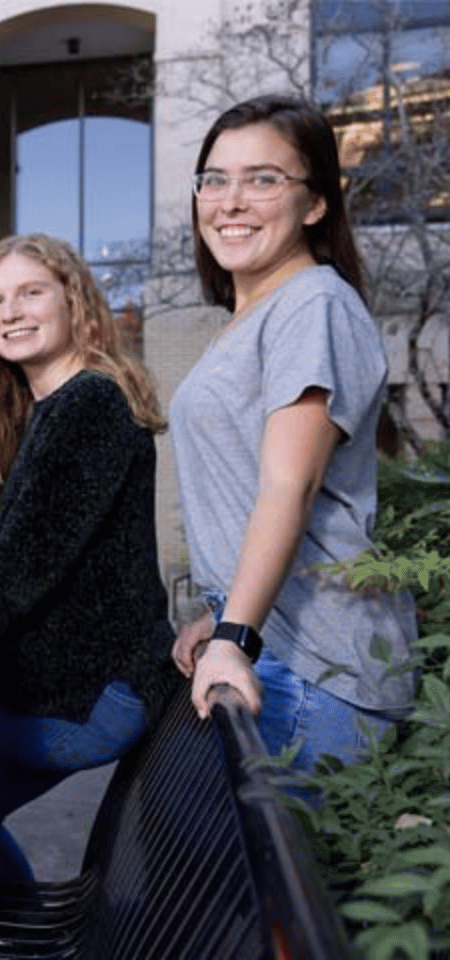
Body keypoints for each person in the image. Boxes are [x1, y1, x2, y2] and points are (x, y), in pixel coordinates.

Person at [170, 94, 416, 772]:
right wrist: (222, 616)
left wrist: (236, 635)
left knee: (255, 877)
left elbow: (290, 483)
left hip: (312, 665)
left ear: (315, 205)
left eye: (263, 179)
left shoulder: (313, 303)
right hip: (269, 646)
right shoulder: (260, 315)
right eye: (214, 180)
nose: (232, 200)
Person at [0, 234, 179, 883]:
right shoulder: (53, 410)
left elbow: (21, 573)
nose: (10, 311)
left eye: (30, 292)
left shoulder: (90, 403)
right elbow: (17, 566)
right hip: (68, 688)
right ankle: (19, 931)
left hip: (91, 698)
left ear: (72, 300)